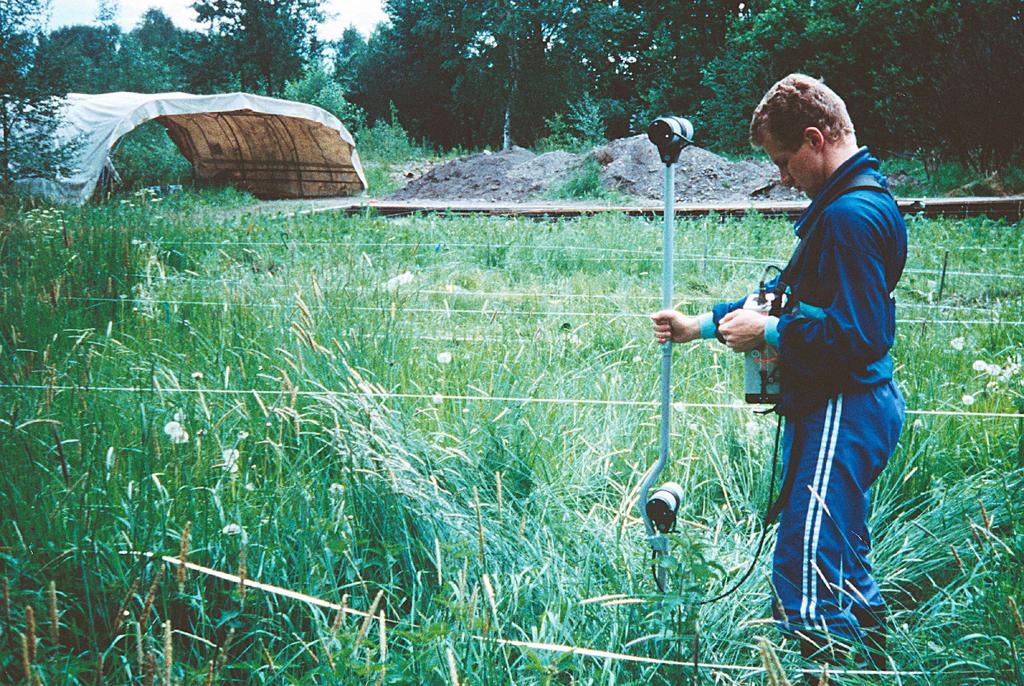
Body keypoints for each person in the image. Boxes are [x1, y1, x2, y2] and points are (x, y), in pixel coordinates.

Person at [651, 74, 907, 676]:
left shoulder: (850, 216)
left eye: (784, 162)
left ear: (815, 139)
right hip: (845, 405)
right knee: (838, 549)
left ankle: (821, 670)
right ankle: (867, 665)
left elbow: (861, 335)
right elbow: (789, 298)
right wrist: (705, 324)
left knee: (807, 557)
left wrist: (770, 335)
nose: (784, 178)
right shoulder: (854, 201)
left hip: (845, 406)